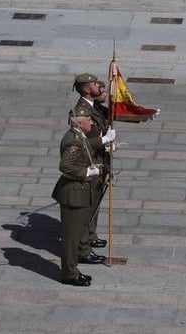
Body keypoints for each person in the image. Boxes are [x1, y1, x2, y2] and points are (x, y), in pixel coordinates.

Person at [51, 111, 111, 285]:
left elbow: (88, 145)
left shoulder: (79, 136)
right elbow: (65, 166)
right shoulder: (73, 141)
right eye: (88, 120)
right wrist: (85, 172)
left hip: (80, 194)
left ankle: (73, 269)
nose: (91, 122)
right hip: (74, 195)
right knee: (71, 238)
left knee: (76, 235)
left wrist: (103, 140)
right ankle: (69, 274)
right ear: (79, 124)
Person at [72, 74, 111, 248]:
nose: (99, 86)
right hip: (90, 162)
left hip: (100, 158)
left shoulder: (93, 106)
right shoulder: (81, 112)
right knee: (89, 203)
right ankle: (84, 242)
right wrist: (103, 141)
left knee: (95, 200)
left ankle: (91, 234)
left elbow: (108, 117)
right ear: (87, 89)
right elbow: (81, 142)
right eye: (95, 84)